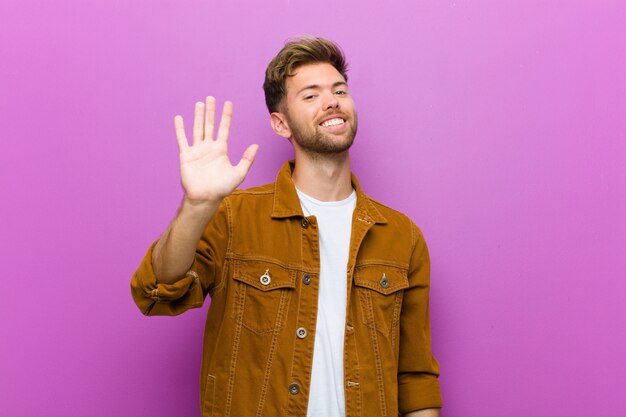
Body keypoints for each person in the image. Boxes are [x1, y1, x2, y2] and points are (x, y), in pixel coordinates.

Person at [131, 36, 442, 417]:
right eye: (310, 96)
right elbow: (157, 290)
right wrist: (197, 206)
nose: (331, 101)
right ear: (281, 124)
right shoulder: (235, 218)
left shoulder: (401, 237)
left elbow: (415, 379)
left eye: (339, 90)